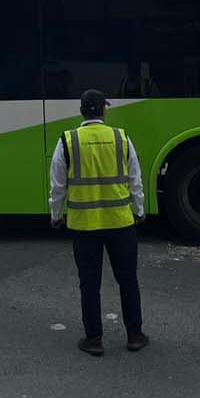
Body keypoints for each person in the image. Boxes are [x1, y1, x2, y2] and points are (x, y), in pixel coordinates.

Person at [49, 89, 148, 356]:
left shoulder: (67, 141)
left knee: (89, 282)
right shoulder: (121, 137)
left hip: (85, 225)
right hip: (120, 223)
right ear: (104, 110)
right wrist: (139, 210)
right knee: (127, 279)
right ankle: (135, 335)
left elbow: (58, 185)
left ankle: (94, 339)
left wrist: (56, 216)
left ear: (82, 111)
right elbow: (135, 181)